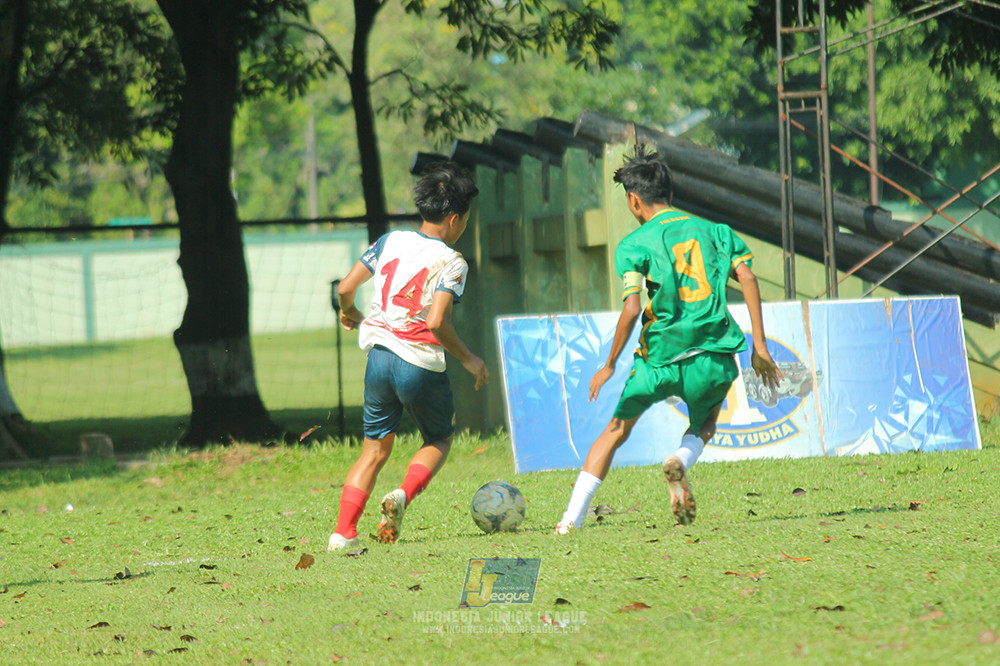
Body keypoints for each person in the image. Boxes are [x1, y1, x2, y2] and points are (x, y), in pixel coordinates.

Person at [555, 145, 783, 532]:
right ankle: (680, 458)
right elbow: (746, 277)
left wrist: (609, 364)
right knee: (706, 422)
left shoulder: (635, 244)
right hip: (711, 354)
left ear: (633, 200)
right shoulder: (717, 232)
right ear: (671, 195)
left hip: (657, 360)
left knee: (615, 431)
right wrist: (759, 347)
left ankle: (569, 521)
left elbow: (631, 309)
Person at [328, 161, 489, 551]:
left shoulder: (390, 242)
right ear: (454, 219)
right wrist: (469, 358)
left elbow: (346, 288)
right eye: (465, 220)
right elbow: (436, 321)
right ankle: (402, 494)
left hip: (379, 358)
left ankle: (342, 533)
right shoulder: (453, 261)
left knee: (374, 449)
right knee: (439, 438)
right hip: (418, 362)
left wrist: (349, 312)